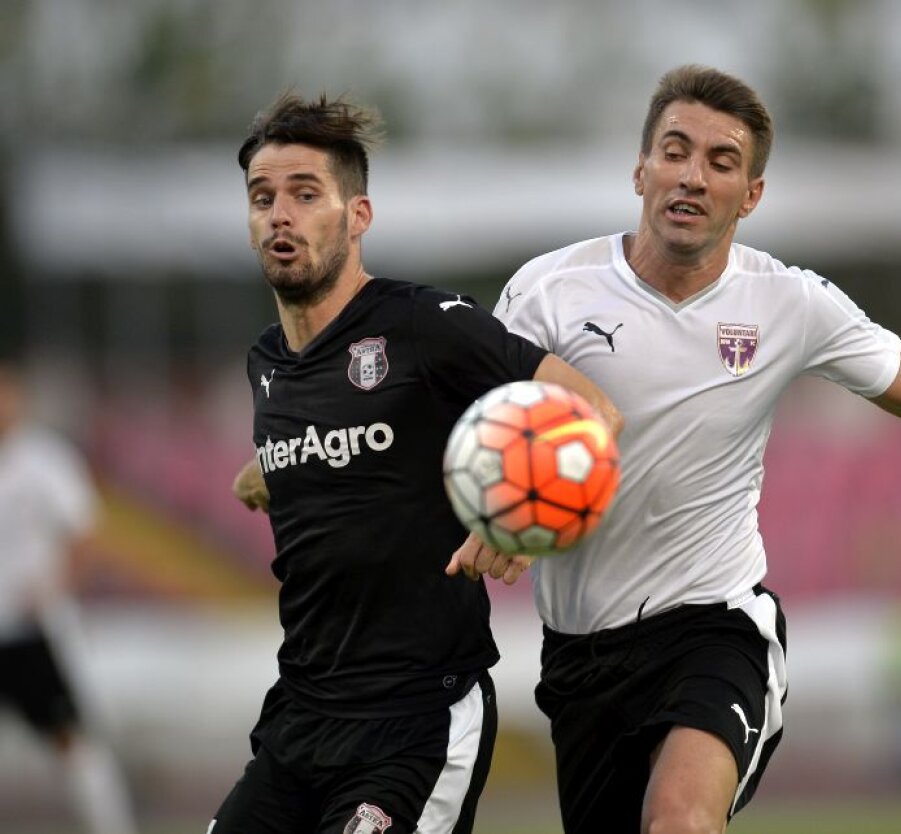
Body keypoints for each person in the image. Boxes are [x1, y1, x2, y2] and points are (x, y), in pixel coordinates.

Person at [471, 64, 901, 833]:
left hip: (715, 627)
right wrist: (495, 508)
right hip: (580, 656)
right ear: (641, 170)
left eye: (722, 161)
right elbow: (481, 427)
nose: (692, 176)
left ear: (751, 195)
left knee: (679, 822)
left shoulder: (789, 302)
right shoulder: (547, 291)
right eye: (675, 151)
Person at [215, 92, 619, 834]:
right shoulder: (266, 362)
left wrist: (516, 526)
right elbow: (354, 448)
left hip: (416, 723)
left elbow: (592, 411)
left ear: (357, 216)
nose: (280, 215)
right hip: (299, 717)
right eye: (262, 198)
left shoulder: (421, 324)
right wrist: (266, 470)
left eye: (306, 194)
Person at [0, 358, 139, 834]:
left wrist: (55, 588)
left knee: (71, 736)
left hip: (33, 628)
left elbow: (84, 534)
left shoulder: (44, 460)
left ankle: (111, 825)